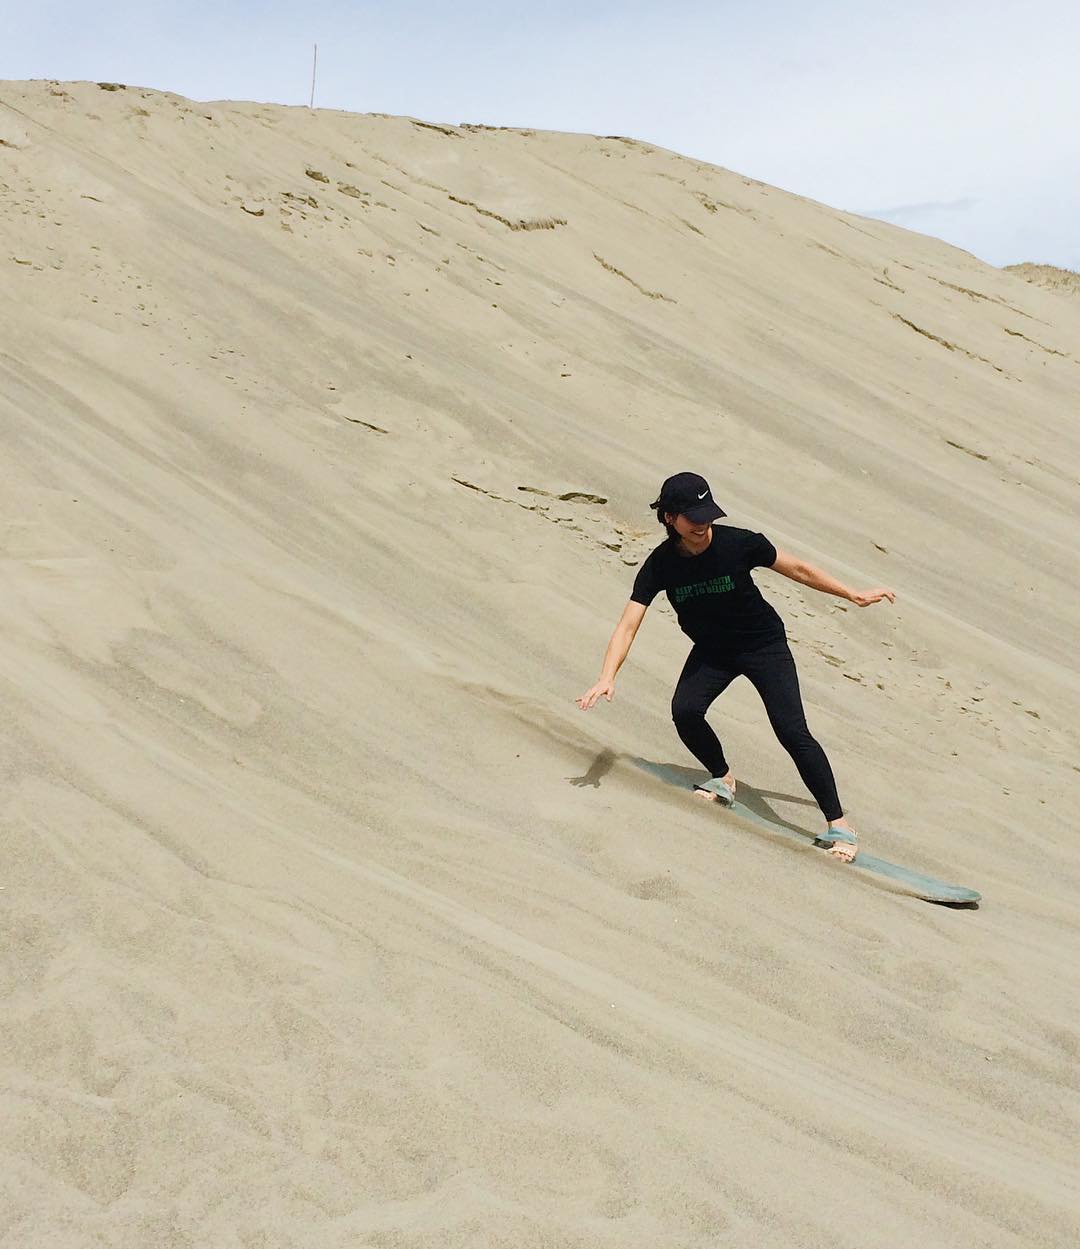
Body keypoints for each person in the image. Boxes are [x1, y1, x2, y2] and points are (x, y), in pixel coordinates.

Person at [575, 472, 895, 861]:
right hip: (714, 651)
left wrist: (850, 593)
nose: (703, 523)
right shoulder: (660, 566)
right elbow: (629, 624)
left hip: (764, 646)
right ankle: (722, 776)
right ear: (669, 518)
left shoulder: (739, 544)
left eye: (708, 514)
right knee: (686, 711)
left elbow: (798, 569)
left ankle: (839, 824)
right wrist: (607, 675)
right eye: (693, 516)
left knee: (791, 731)